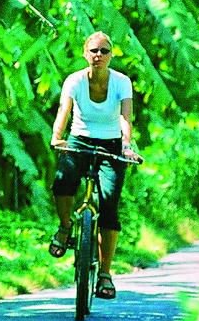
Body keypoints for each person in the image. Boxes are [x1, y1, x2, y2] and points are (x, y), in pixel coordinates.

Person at [48, 31, 142, 300]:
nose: (98, 55)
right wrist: (57, 137)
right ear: (85, 53)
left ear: (111, 55)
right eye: (94, 51)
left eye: (104, 51)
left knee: (110, 202)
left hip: (112, 144)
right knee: (63, 180)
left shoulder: (122, 83)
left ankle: (105, 273)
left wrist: (126, 145)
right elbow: (63, 110)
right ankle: (65, 228)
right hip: (79, 141)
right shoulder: (74, 80)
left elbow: (126, 117)